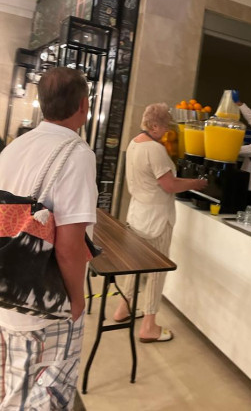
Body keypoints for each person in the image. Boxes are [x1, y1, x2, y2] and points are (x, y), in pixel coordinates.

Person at [0, 67, 97, 410]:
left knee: (12, 388)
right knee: (45, 397)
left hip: (6, 288)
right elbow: (69, 246)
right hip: (43, 302)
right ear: (84, 105)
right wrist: (77, 301)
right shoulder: (76, 153)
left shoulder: (14, 147)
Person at [113, 103, 207, 342]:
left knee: (136, 265)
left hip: (137, 214)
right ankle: (149, 326)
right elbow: (169, 185)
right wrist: (196, 183)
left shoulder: (134, 143)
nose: (167, 131)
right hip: (157, 219)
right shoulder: (154, 149)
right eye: (165, 126)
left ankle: (123, 308)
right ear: (154, 125)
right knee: (157, 270)